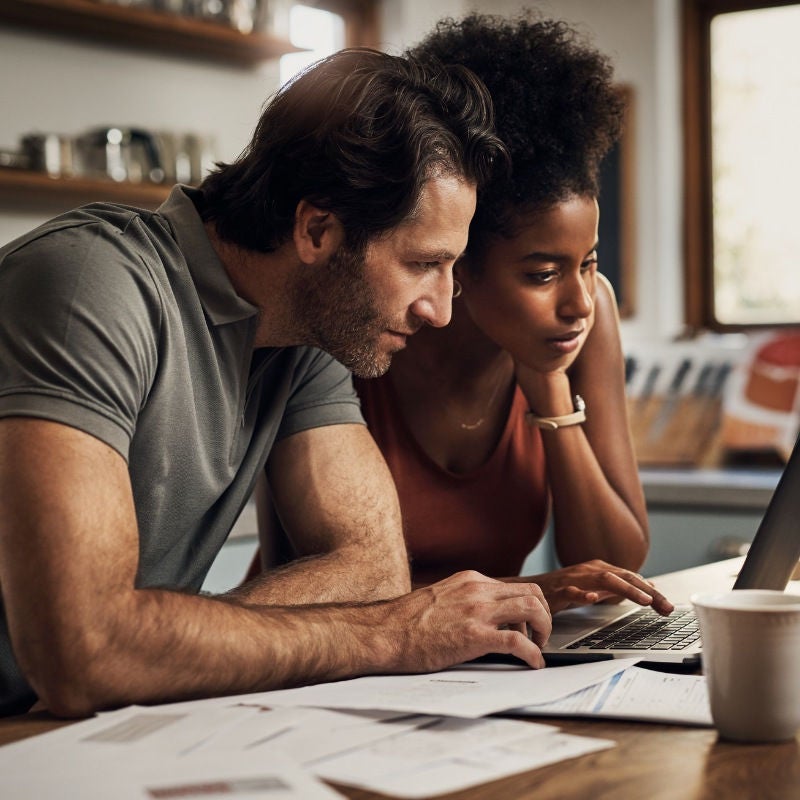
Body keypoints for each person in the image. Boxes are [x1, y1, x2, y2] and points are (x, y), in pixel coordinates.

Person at [0, 48, 554, 719]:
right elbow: (85, 654)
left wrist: (152, 645)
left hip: (66, 731)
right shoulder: (88, 286)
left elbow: (375, 571)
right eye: (421, 263)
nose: (439, 308)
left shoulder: (304, 330)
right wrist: (391, 634)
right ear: (316, 229)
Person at [249, 13, 673, 617]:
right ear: (459, 262)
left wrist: (550, 392)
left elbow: (617, 565)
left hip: (471, 667)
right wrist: (522, 593)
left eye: (589, 263)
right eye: (541, 274)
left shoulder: (583, 318)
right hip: (317, 661)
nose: (579, 301)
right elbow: (303, 577)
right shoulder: (357, 325)